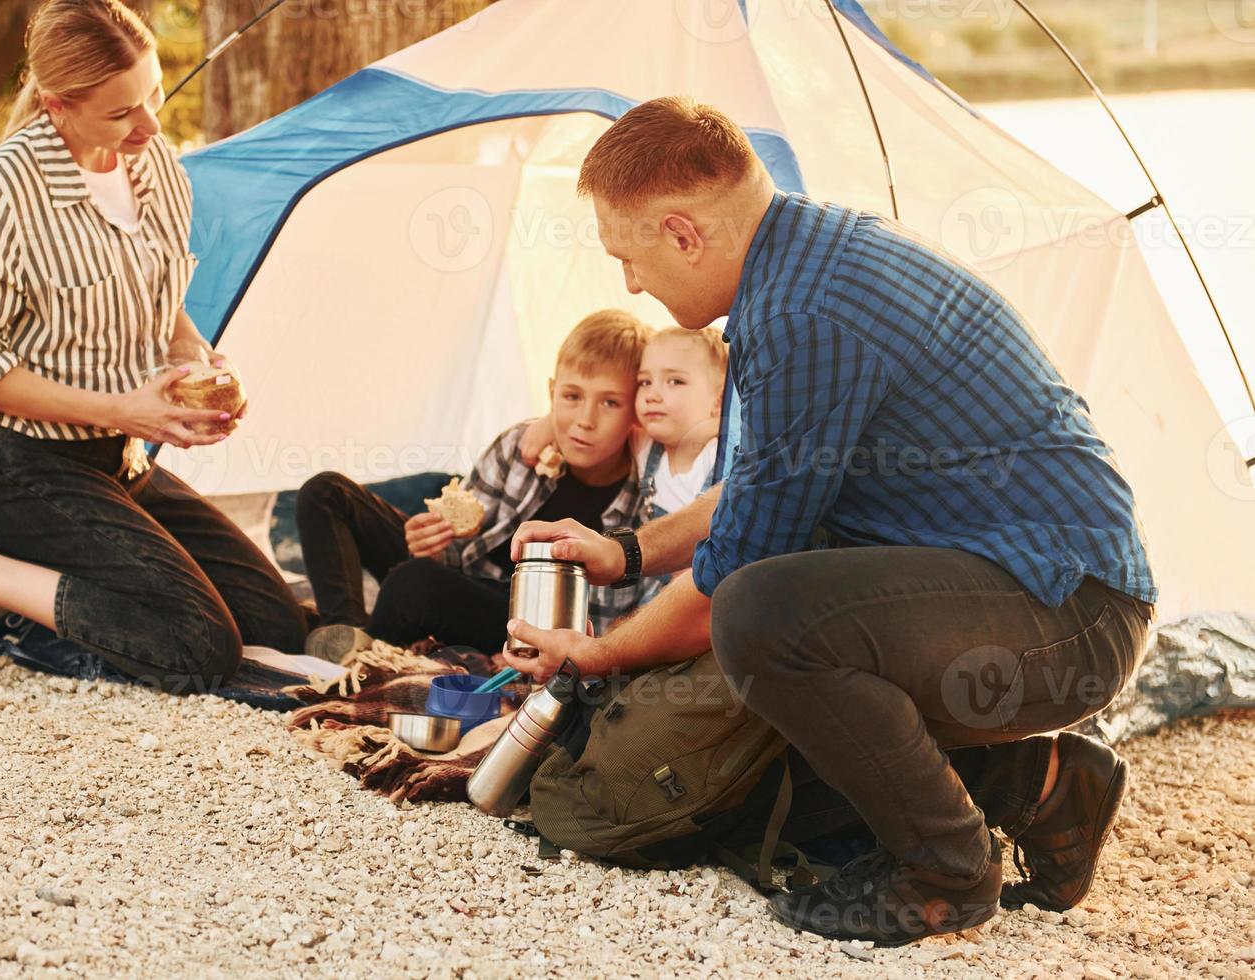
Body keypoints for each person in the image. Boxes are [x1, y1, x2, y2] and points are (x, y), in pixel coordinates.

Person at [502, 97, 1156, 945]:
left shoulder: (804, 317)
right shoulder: (802, 262)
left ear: (683, 234)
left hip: (1071, 614)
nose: (633, 285)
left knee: (765, 620)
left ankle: (946, 874)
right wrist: (623, 553)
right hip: (1028, 595)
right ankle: (1043, 781)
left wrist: (596, 654)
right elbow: (752, 497)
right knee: (790, 633)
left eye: (630, 257)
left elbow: (737, 575)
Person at [0, 0, 308, 694]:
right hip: (18, 465)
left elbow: (161, 309)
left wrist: (198, 362)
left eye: (154, 95)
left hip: (118, 463)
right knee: (198, 648)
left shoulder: (157, 166)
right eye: (122, 112)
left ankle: (32, 588)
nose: (152, 124)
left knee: (277, 626)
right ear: (58, 106)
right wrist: (123, 409)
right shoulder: (3, 189)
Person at [295, 310, 656, 661]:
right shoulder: (519, 445)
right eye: (572, 397)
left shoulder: (647, 495)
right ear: (551, 393)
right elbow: (464, 548)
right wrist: (433, 544)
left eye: (610, 403)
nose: (585, 420)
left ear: (637, 410)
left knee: (413, 584)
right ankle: (345, 635)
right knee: (326, 493)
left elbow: (607, 622)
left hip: (525, 619)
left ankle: (367, 654)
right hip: (469, 576)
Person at [523, 325, 725, 521]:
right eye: (645, 382)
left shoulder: (725, 461)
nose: (652, 395)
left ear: (719, 399)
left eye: (675, 381)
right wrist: (550, 420)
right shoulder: (644, 443)